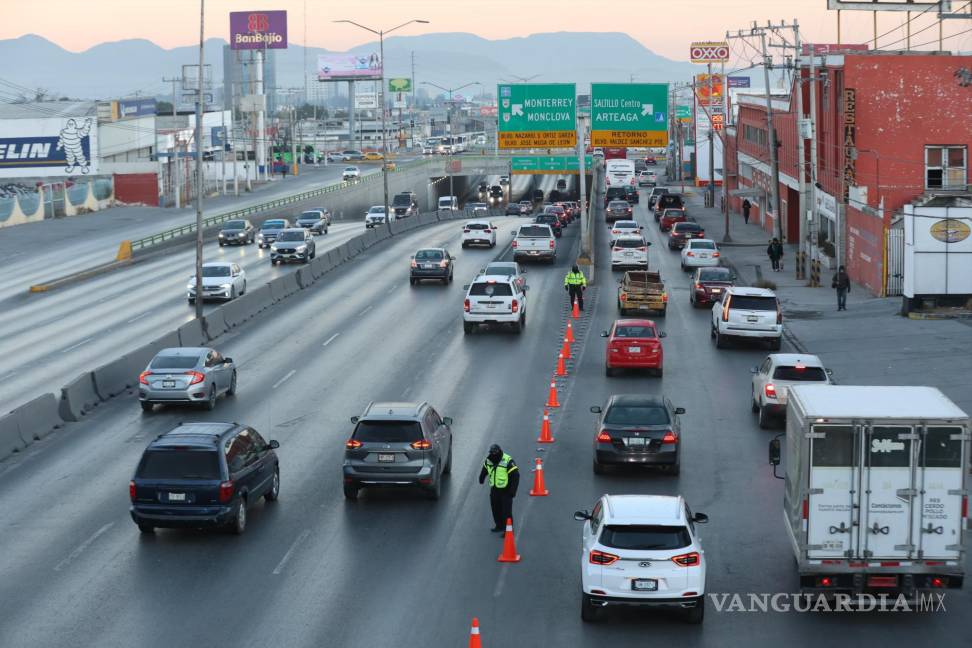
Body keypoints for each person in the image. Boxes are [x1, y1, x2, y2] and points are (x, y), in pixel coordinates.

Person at [478, 444, 519, 532]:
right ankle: (499, 525)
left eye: (494, 453)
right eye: (491, 453)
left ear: (499, 451)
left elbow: (515, 475)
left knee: (506, 512)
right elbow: (484, 469)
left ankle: (508, 530)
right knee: (495, 509)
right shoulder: (489, 460)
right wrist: (481, 478)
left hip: (506, 490)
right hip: (494, 489)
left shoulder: (507, 460)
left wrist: (512, 491)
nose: (493, 454)